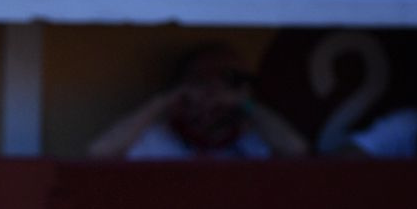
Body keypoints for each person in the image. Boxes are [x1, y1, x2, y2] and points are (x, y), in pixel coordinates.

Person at [88, 43, 308, 158]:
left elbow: (295, 151)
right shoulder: (159, 138)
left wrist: (244, 104)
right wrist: (164, 102)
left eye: (229, 80)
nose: (215, 91)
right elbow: (100, 153)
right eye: (203, 80)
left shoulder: (254, 137)